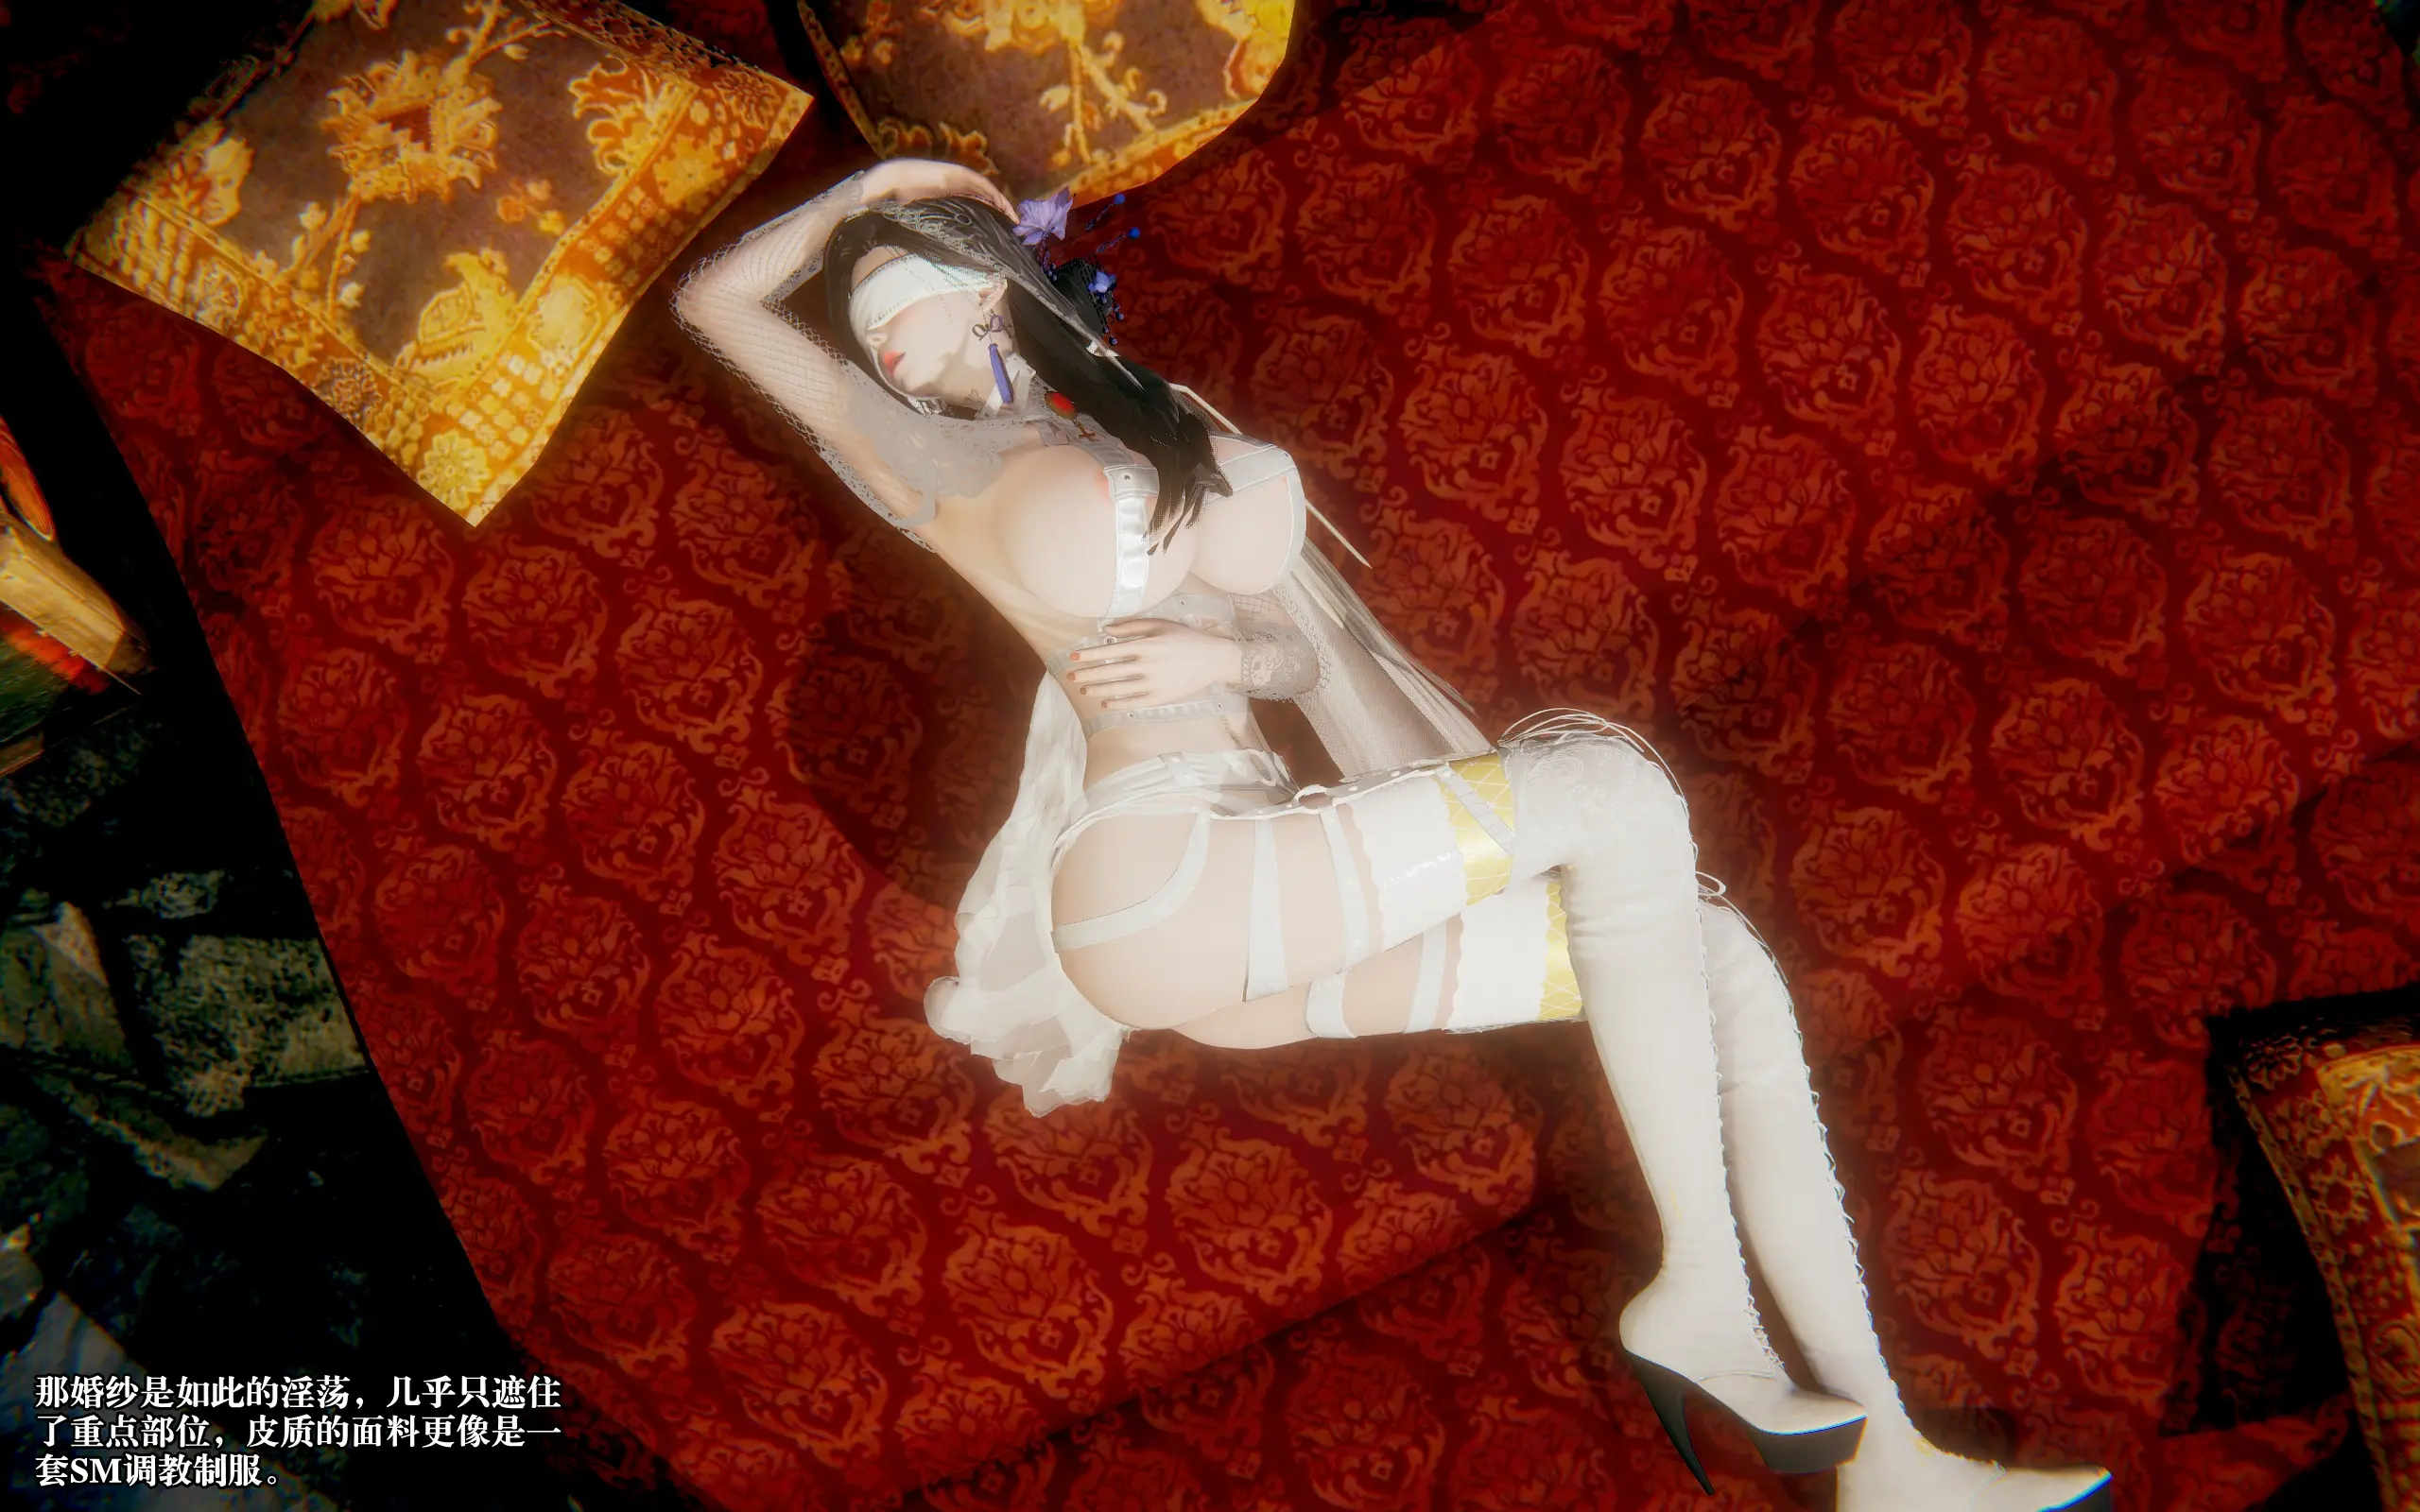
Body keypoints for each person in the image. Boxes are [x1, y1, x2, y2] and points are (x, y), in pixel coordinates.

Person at [675, 157, 2114, 1512]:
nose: (878, 341)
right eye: (862, 328)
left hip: (1252, 898)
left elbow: (1298, 658)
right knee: (1609, 790)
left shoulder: (1135, 423)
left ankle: (1893, 1459)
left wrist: (1224, 659)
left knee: (1716, 953)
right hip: (1158, 883)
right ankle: (1702, 1294)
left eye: (896, 300)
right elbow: (712, 303)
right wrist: (877, 191)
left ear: (990, 285)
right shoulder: (914, 458)